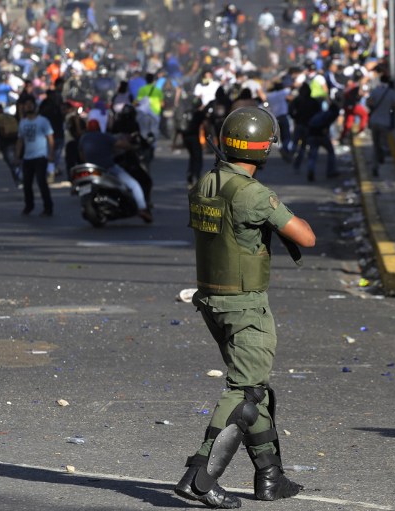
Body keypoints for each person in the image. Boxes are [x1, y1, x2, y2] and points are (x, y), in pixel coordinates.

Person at [176, 107, 315, 508]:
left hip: (212, 300)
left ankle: (270, 476)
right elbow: (305, 236)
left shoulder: (207, 182)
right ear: (261, 149)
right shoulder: (252, 193)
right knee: (245, 391)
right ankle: (199, 477)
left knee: (258, 392)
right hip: (245, 305)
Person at [78, 119, 152, 223]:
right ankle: (142, 208)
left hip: (91, 169)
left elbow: (82, 155)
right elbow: (122, 145)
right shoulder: (105, 136)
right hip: (107, 168)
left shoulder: (83, 138)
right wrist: (133, 147)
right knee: (134, 184)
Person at [14, 95, 54, 217]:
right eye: (26, 105)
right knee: (27, 184)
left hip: (41, 157)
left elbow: (50, 138)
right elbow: (20, 140)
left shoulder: (43, 121)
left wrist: (51, 153)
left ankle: (48, 207)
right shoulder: (23, 123)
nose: (29, 106)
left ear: (35, 106)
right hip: (27, 158)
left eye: (31, 104)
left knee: (42, 182)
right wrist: (17, 155)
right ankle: (29, 206)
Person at [367, 73, 395, 177]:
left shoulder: (375, 90)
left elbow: (369, 102)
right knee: (383, 144)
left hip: (374, 121)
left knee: (376, 145)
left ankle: (375, 165)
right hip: (385, 122)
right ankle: (381, 156)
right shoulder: (391, 93)